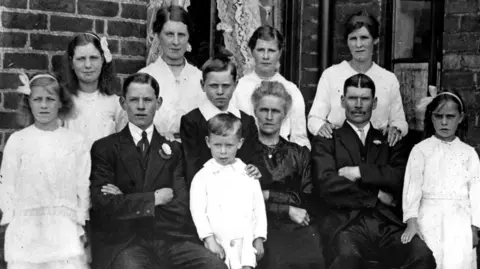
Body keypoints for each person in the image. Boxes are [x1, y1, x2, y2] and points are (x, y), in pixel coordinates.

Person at [89, 72, 226, 269]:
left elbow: (180, 207)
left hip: (169, 239)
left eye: (148, 100)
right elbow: (104, 205)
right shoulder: (105, 148)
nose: (141, 106)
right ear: (122, 103)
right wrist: (154, 199)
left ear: (159, 103)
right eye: (134, 100)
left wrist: (127, 199)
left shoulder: (174, 150)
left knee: (214, 266)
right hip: (126, 242)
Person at [311, 73, 436, 269]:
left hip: (386, 224)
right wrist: (376, 195)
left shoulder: (390, 139)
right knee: (347, 257)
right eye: (352, 98)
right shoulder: (327, 139)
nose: (358, 105)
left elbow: (400, 177)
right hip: (346, 225)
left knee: (421, 254)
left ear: (375, 102)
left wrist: (360, 172)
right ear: (343, 101)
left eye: (365, 98)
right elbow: (327, 184)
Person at [0, 73, 90, 269]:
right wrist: (9, 218)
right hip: (26, 230)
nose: (43, 105)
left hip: (63, 229)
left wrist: (80, 222)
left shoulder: (75, 142)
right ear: (29, 103)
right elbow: (7, 184)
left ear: (60, 103)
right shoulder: (18, 140)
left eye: (50, 99)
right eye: (37, 99)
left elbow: (82, 184)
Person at [401, 91, 480, 269]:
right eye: (439, 116)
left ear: (460, 118)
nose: (444, 122)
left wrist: (475, 227)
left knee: (458, 261)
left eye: (450, 117)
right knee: (431, 260)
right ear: (432, 118)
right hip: (428, 218)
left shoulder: (468, 153)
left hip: (460, 221)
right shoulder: (420, 150)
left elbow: (476, 192)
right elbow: (412, 187)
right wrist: (412, 222)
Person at [251, 81, 324, 269]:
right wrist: (286, 208)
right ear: (255, 112)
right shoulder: (244, 151)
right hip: (258, 227)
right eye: (263, 110)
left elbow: (307, 197)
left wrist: (267, 194)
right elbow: (245, 200)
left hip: (297, 224)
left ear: (284, 115)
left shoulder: (299, 153)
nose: (268, 117)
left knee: (313, 258)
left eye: (275, 111)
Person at [308, 11, 407, 146]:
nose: (358, 45)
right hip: (339, 146)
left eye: (364, 38)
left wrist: (396, 129)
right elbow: (314, 118)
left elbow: (399, 121)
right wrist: (321, 128)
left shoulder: (388, 79)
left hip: (376, 150)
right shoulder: (331, 75)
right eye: (353, 39)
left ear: (375, 40)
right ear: (347, 42)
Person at [190, 114, 267, 269]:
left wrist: (258, 237)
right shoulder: (202, 177)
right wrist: (209, 239)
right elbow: (197, 212)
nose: (223, 152)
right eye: (217, 145)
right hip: (219, 243)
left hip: (245, 243)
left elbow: (258, 208)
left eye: (229, 145)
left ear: (239, 143)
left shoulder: (248, 174)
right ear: (208, 142)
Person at [180, 51, 269, 185]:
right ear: (202, 85)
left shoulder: (246, 121)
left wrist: (257, 169)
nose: (220, 92)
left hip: (241, 190)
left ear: (235, 84)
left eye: (226, 85)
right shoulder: (192, 121)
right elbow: (192, 167)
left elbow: (256, 160)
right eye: (214, 86)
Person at [232, 25, 310, 149]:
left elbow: (299, 137)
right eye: (261, 50)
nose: (266, 56)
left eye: (272, 51)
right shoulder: (239, 88)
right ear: (252, 52)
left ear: (279, 53)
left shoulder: (291, 90)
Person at [139, 5, 205, 141]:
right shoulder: (145, 77)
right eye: (169, 34)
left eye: (181, 35)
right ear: (158, 36)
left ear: (188, 37)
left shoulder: (200, 78)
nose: (176, 42)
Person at [62, 32, 127, 149]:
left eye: (93, 58)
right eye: (81, 59)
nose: (88, 65)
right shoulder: (63, 101)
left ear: (102, 59)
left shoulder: (115, 104)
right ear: (72, 62)